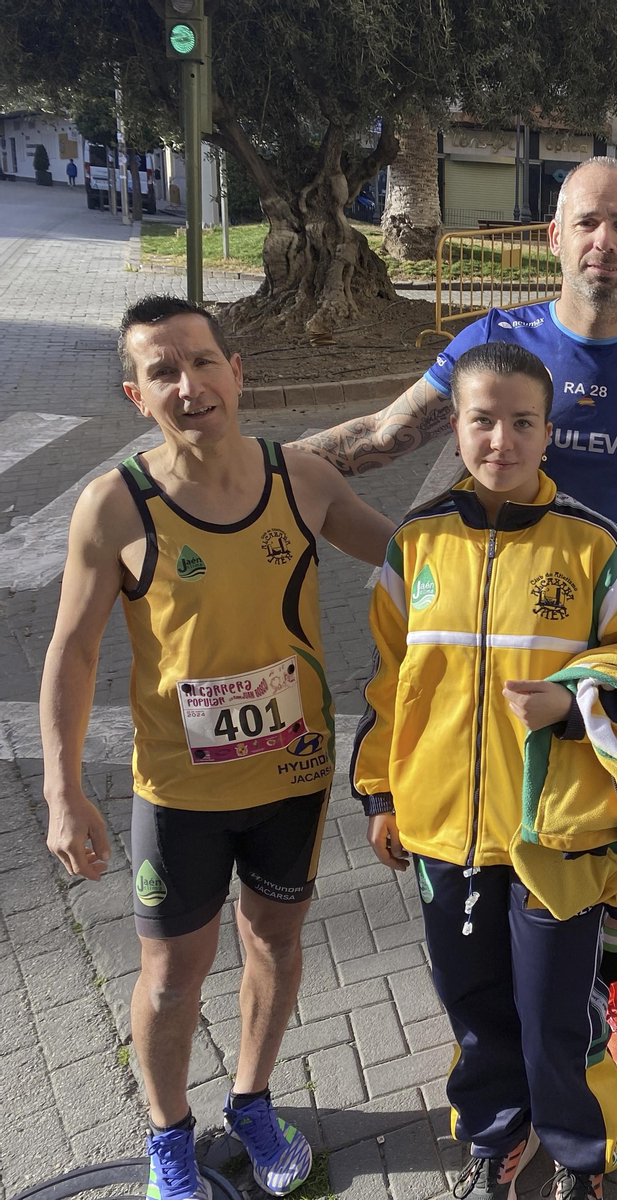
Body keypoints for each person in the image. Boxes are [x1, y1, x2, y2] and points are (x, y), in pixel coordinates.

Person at [294, 155, 617, 1085]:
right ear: (555, 237)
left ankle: (610, 990)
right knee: (504, 841)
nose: (604, 242)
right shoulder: (499, 341)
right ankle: (513, 1025)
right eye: (587, 223)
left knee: (616, 843)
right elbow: (379, 437)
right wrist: (251, 472)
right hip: (499, 646)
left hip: (611, 650)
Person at [39, 296, 395, 1200]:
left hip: (295, 776)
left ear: (238, 373)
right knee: (170, 976)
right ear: (137, 394)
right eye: (164, 371)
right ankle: (168, 1138)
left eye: (202, 363)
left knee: (275, 940)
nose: (189, 386)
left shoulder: (300, 477)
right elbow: (73, 652)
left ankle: (252, 1100)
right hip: (180, 792)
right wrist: (62, 793)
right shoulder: (114, 507)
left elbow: (409, 560)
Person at [353, 341, 617, 1200]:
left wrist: (573, 696)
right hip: (442, 829)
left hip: (556, 831)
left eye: (522, 423)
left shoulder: (592, 546)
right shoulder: (417, 543)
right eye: (483, 420)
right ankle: (497, 1134)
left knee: (559, 1014)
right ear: (457, 426)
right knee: (476, 1011)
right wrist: (381, 793)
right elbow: (383, 681)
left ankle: (580, 1155)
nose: (502, 441)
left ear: (549, 432)